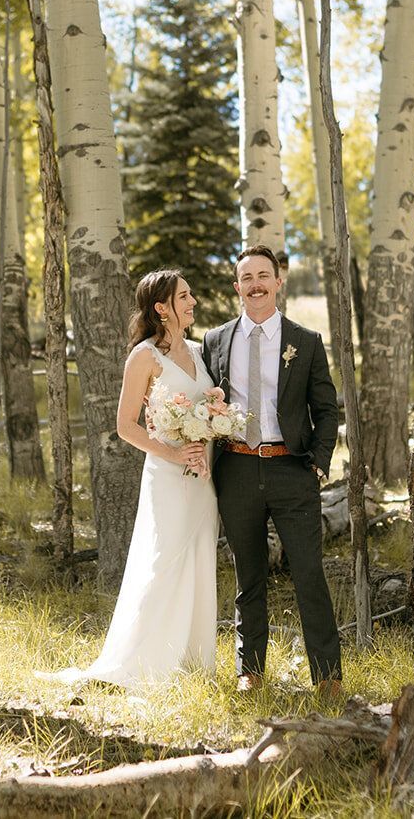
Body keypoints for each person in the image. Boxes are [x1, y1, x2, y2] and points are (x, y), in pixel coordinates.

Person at [49, 269, 219, 688]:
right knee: (164, 562)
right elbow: (126, 426)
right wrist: (175, 452)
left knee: (199, 559)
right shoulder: (144, 357)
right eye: (184, 297)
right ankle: (145, 663)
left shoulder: (199, 352)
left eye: (191, 295)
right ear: (161, 308)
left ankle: (194, 662)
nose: (192, 302)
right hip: (167, 474)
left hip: (202, 476)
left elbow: (208, 409)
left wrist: (213, 426)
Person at [202, 245, 343, 700]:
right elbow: (207, 402)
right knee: (249, 576)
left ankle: (327, 677)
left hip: (291, 471)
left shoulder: (306, 341)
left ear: (279, 282)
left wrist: (319, 463)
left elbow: (325, 410)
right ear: (237, 286)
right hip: (237, 470)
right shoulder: (216, 340)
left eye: (264, 275)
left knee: (308, 575)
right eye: (247, 278)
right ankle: (250, 670)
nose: (256, 284)